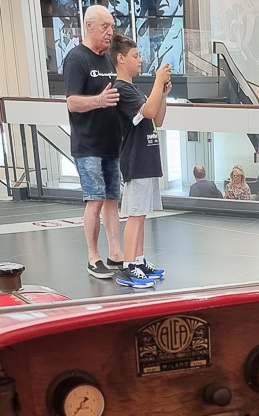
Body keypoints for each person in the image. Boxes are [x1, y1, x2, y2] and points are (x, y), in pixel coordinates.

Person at [64, 5, 123, 280]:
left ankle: (116, 254)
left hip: (111, 143)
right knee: (95, 199)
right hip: (88, 145)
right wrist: (98, 101)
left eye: (111, 27)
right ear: (89, 26)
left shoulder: (108, 60)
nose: (110, 32)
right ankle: (93, 257)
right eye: (105, 27)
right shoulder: (77, 59)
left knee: (112, 199)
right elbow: (72, 102)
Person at [112, 33, 170, 289]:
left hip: (147, 158)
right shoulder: (121, 89)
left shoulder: (133, 89)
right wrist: (157, 81)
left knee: (141, 214)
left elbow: (157, 118)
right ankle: (128, 267)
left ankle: (139, 260)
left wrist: (163, 93)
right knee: (135, 215)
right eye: (135, 56)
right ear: (121, 58)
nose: (140, 60)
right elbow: (148, 111)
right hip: (135, 160)